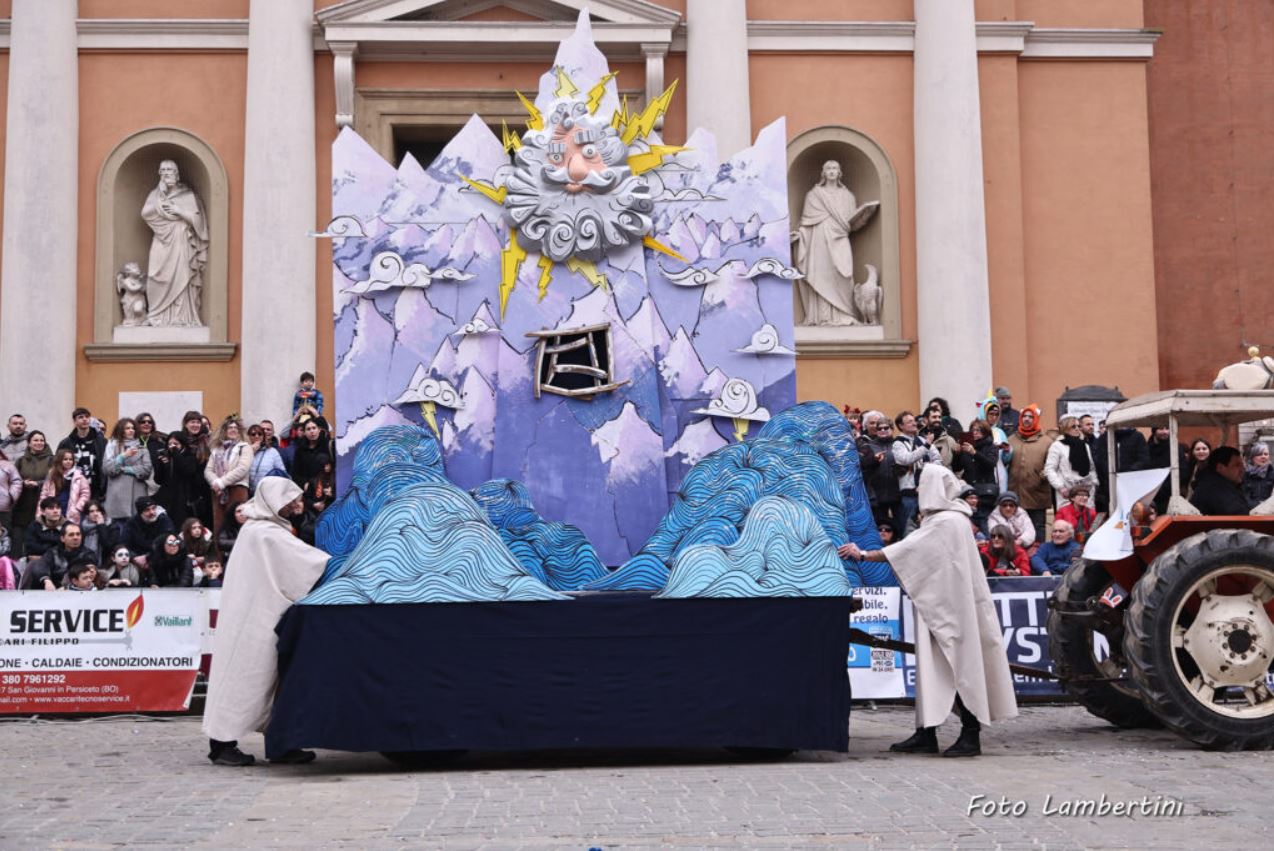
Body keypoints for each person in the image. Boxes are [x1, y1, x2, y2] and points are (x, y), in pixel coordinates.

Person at [840, 465, 1017, 757]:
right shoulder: (951, 520)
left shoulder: (945, 522)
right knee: (936, 667)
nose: (920, 491)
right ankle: (927, 731)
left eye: (924, 485)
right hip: (944, 605)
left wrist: (863, 554)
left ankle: (970, 734)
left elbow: (908, 550)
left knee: (960, 667)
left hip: (951, 609)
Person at [203, 478, 329, 767]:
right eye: (289, 501)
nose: (295, 505)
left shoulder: (261, 529)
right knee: (246, 678)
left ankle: (281, 742)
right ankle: (222, 744)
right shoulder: (265, 533)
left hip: (260, 614)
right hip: (254, 619)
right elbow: (310, 562)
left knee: (274, 683)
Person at [142, 159, 209, 326]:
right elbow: (145, 213)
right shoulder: (154, 194)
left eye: (170, 170)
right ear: (159, 174)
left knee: (181, 276)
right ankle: (156, 315)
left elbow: (198, 221)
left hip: (181, 240)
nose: (166, 173)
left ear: (176, 174)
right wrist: (160, 194)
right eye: (163, 170)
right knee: (155, 275)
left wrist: (179, 211)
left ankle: (181, 317)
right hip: (161, 240)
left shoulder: (187, 195)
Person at [154, 412, 211, 527]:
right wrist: (162, 463)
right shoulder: (177, 440)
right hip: (175, 496)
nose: (195, 425)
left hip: (199, 489)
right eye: (192, 422)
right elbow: (159, 479)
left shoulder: (206, 442)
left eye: (198, 422)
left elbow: (188, 469)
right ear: (185, 424)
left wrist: (175, 453)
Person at [1006, 405, 1053, 544]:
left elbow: (1052, 466)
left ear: (1036, 419)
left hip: (1037, 494)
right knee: (1016, 528)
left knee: (1038, 527)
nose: (1027, 419)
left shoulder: (1046, 442)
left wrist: (1045, 474)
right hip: (1016, 493)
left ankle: (1037, 556)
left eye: (1031, 417)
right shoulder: (1011, 440)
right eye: (1024, 416)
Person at [891, 411, 941, 539]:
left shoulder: (923, 440)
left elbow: (938, 459)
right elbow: (907, 459)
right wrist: (926, 446)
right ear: (901, 426)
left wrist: (929, 468)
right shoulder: (898, 444)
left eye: (914, 420)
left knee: (928, 531)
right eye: (909, 421)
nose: (914, 423)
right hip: (909, 494)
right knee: (908, 532)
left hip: (926, 492)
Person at [206, 416, 252, 544]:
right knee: (219, 526)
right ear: (224, 430)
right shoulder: (217, 449)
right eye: (229, 428)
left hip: (237, 489)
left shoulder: (245, 447)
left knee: (238, 524)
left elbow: (242, 469)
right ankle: (219, 561)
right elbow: (208, 470)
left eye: (235, 428)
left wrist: (222, 482)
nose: (232, 430)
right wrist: (215, 482)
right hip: (218, 493)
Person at [858, 412, 902, 539]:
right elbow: (861, 465)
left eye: (886, 428)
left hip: (897, 494)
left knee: (899, 528)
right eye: (879, 428)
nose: (882, 430)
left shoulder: (899, 444)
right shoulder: (868, 446)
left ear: (892, 429)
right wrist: (873, 460)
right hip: (877, 496)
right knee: (880, 531)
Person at [102, 417, 153, 521]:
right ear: (121, 430)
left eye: (133, 428)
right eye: (127, 428)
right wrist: (123, 456)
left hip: (137, 493)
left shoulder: (142, 449)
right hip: (117, 495)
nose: (131, 430)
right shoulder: (112, 446)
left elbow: (147, 470)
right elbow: (107, 469)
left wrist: (126, 469)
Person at [12, 431, 53, 558]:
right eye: (35, 440)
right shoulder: (21, 461)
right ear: (29, 443)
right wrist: (23, 483)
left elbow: (53, 479)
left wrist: (38, 483)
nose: (39, 443)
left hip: (43, 503)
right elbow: (14, 479)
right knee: (19, 541)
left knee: (39, 539)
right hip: (23, 505)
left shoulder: (51, 459)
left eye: (42, 440)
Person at [955, 419, 1000, 532]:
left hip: (985, 493)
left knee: (985, 525)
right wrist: (957, 454)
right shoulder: (966, 447)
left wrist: (974, 453)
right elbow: (957, 468)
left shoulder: (991, 447)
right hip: (969, 493)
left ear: (985, 432)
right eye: (972, 430)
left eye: (978, 430)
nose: (975, 432)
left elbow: (990, 464)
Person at [1044, 416, 1098, 508]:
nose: (1077, 429)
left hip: (1086, 492)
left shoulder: (1085, 445)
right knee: (1067, 521)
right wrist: (1061, 487)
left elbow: (1091, 468)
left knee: (1086, 520)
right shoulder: (1057, 446)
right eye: (1073, 426)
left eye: (1078, 426)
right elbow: (1049, 469)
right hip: (1067, 492)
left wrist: (1094, 484)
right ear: (1066, 428)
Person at [57, 407, 107, 498]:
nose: (84, 419)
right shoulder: (66, 443)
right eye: (81, 417)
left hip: (96, 489)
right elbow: (57, 465)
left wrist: (103, 488)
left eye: (87, 417)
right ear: (74, 421)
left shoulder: (102, 441)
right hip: (72, 488)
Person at [26, 522, 92, 590]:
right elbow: (41, 566)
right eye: (71, 535)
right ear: (62, 538)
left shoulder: (88, 554)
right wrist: (46, 580)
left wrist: (66, 588)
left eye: (78, 534)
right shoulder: (53, 552)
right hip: (52, 592)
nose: (75, 537)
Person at [1190, 446, 1252, 516]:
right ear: (1220, 467)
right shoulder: (1214, 488)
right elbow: (1238, 513)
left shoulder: (1221, 483)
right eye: (1237, 465)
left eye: (1242, 465)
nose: (1242, 469)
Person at [122, 496, 176, 573]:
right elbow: (123, 544)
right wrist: (134, 558)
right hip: (137, 560)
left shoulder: (163, 520)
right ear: (140, 513)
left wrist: (148, 557)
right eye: (147, 510)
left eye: (154, 508)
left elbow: (169, 541)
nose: (152, 512)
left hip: (159, 558)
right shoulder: (131, 523)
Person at [40, 448, 91, 524]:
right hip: (55, 508)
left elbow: (85, 493)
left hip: (72, 509)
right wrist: (42, 509)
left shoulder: (78, 475)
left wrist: (77, 508)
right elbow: (44, 493)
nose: (68, 461)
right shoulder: (52, 475)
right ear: (60, 460)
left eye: (70, 459)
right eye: (65, 459)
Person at [246, 424, 287, 494]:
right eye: (253, 434)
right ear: (249, 437)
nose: (257, 436)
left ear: (263, 436)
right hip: (249, 492)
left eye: (259, 434)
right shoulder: (244, 451)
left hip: (268, 492)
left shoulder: (272, 452)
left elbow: (282, 472)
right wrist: (250, 451)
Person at [289, 418, 331, 489]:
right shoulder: (300, 449)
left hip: (324, 488)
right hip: (307, 490)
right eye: (308, 429)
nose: (312, 431)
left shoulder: (326, 445)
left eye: (314, 428)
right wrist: (304, 484)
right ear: (304, 433)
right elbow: (295, 473)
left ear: (319, 430)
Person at [1243, 442, 1274, 507]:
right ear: (1253, 457)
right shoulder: (1245, 475)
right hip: (1250, 511)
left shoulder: (1272, 473)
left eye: (1266, 454)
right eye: (1259, 454)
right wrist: (1258, 505)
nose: (1263, 457)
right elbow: (1244, 497)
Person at [0, 449, 21, 540]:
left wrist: (11, 496)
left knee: (4, 535)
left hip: (3, 507)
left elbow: (16, 481)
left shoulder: (7, 465)